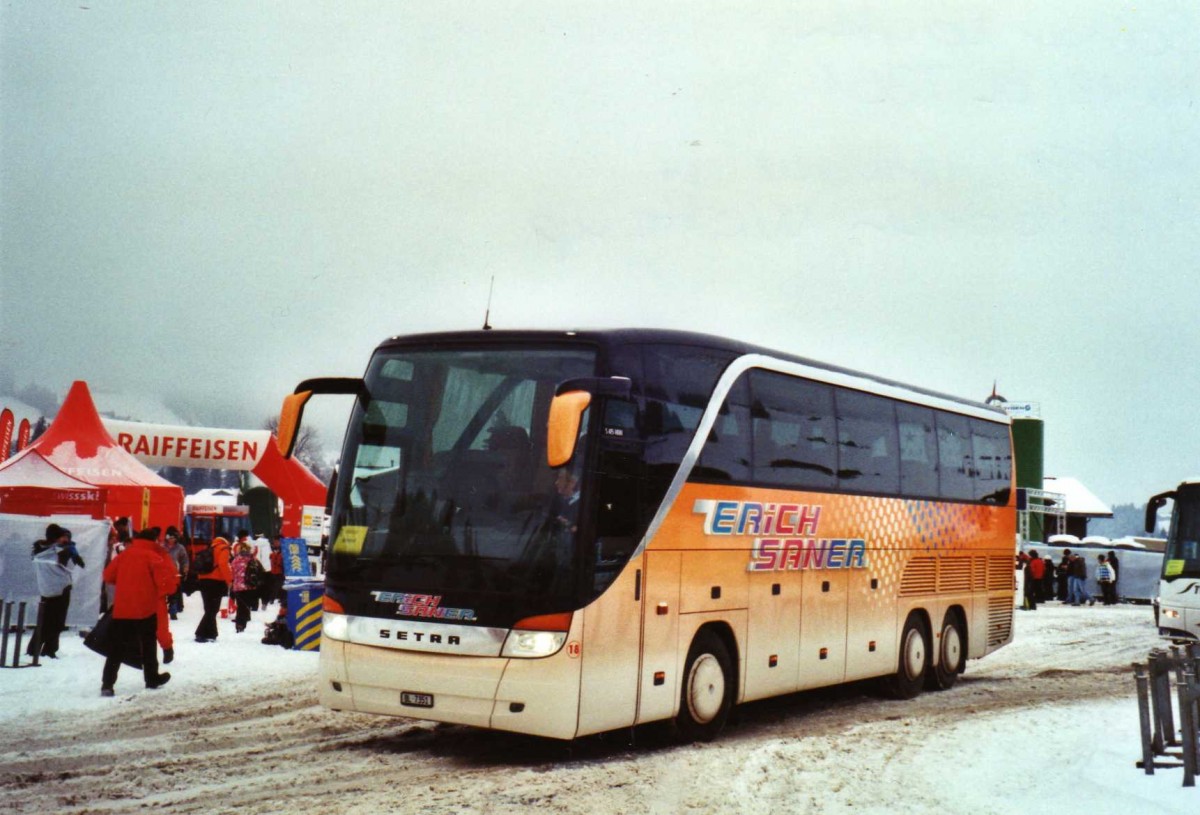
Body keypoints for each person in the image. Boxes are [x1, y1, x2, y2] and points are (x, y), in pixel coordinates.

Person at [100, 527, 177, 696]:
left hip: (122, 609)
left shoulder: (124, 555)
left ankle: (107, 684)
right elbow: (165, 584)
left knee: (116, 648)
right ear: (153, 541)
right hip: (146, 609)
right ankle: (151, 678)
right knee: (148, 644)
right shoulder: (154, 557)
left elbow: (108, 576)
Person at [26, 524, 84, 659]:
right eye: (62, 537)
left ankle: (34, 649)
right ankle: (49, 650)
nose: (65, 540)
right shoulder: (58, 553)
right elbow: (71, 567)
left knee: (44, 621)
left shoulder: (38, 550)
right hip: (60, 589)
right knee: (57, 622)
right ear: (56, 538)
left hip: (45, 589)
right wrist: (71, 550)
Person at [193, 535, 232, 643]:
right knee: (213, 609)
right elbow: (223, 564)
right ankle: (200, 633)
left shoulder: (210, 548)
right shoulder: (224, 548)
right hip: (216, 582)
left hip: (203, 580)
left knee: (209, 608)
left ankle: (211, 633)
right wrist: (229, 581)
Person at [229, 541, 260, 634]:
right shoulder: (251, 560)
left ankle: (240, 624)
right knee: (246, 605)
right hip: (248, 586)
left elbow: (232, 573)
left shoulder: (235, 560)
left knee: (240, 606)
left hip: (237, 587)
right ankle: (243, 622)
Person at [163, 527, 189, 620]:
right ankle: (162, 610)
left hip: (175, 574)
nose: (171, 540)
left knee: (174, 593)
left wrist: (185, 569)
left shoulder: (180, 548)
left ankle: (173, 611)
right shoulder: (162, 547)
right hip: (163, 573)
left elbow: (184, 560)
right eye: (170, 538)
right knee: (163, 593)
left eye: (173, 538)